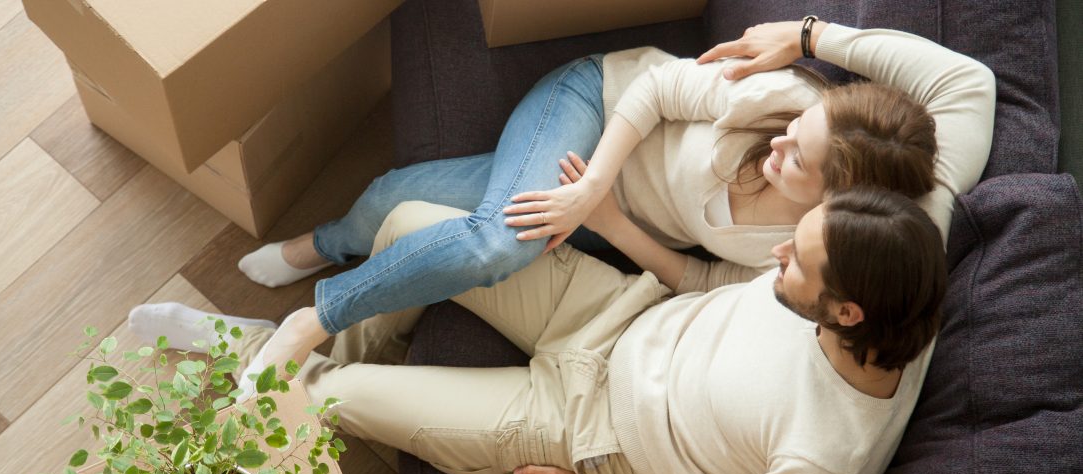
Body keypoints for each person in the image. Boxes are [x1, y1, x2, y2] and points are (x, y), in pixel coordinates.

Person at [131, 185, 948, 474]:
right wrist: (606, 219)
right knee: (411, 226)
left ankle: (274, 358)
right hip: (615, 313)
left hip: (591, 430)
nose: (775, 254)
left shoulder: (827, 461)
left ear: (846, 315)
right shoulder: (893, 274)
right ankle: (291, 346)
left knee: (327, 402)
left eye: (796, 260)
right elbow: (964, 88)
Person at [232, 19, 994, 345]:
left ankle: (330, 253)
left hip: (605, 207)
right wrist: (810, 38)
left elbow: (704, 280)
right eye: (796, 132)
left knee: (398, 198)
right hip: (592, 110)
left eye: (798, 161)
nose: (781, 146)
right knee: (499, 242)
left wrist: (612, 221)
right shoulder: (783, 101)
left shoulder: (814, 246)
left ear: (833, 201)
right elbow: (655, 91)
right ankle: (320, 291)